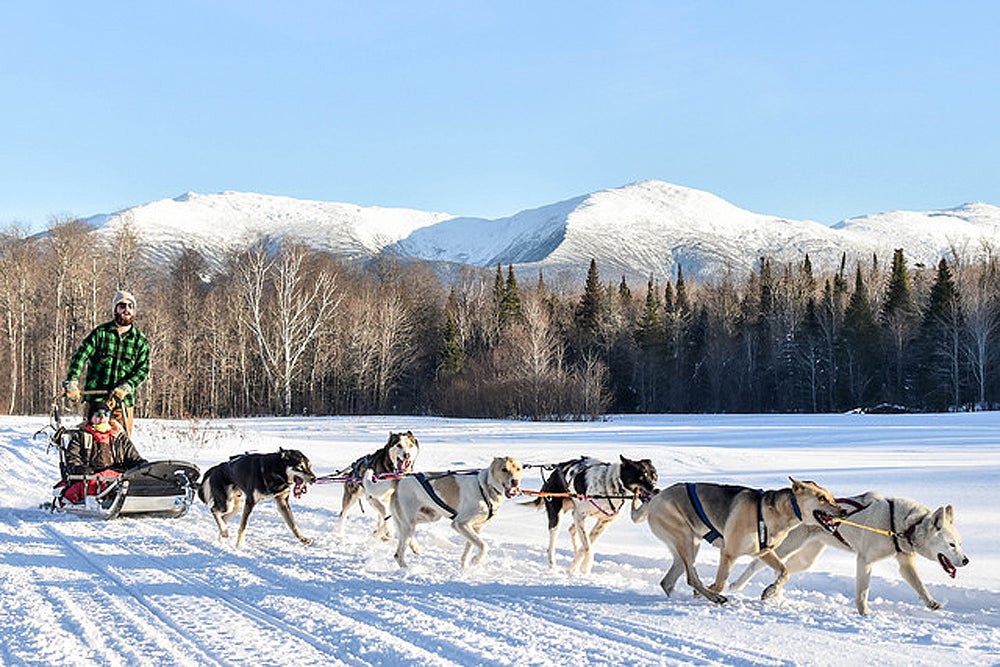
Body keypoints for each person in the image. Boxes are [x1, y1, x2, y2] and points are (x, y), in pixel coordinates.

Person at [63, 290, 149, 436]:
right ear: (115, 309)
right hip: (97, 401)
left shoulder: (139, 341)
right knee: (91, 443)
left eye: (130, 306)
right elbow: (80, 356)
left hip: (123, 404)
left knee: (121, 446)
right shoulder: (100, 333)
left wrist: (128, 386)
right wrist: (72, 381)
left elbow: (143, 370)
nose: (126, 309)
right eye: (122, 305)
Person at [59, 403, 148, 505]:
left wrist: (143, 466)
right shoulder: (81, 436)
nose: (102, 417)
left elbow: (133, 457)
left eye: (106, 414)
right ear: (91, 417)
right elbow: (72, 459)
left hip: (117, 475)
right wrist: (80, 469)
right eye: (98, 414)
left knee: (133, 478)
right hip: (92, 476)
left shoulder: (119, 437)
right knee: (91, 484)